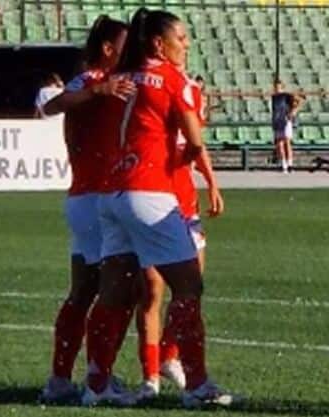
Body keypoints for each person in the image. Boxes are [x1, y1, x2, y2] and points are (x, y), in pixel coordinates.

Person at [83, 8, 234, 409]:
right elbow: (194, 138)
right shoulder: (169, 79)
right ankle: (197, 384)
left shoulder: (121, 78)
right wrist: (194, 158)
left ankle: (96, 383)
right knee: (188, 285)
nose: (185, 44)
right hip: (149, 191)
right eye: (180, 38)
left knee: (114, 292)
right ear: (157, 43)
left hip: (111, 192)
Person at [37, 15, 131, 404]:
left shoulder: (112, 82)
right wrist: (99, 90)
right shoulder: (93, 79)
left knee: (85, 291)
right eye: (127, 44)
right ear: (108, 49)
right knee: (117, 290)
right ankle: (97, 378)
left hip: (88, 198)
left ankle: (62, 379)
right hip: (94, 200)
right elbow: (56, 103)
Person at [135, 67, 223, 401]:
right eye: (180, 40)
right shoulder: (150, 89)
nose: (184, 48)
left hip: (186, 203)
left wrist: (212, 182)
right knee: (152, 291)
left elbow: (195, 144)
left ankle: (171, 356)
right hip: (155, 198)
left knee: (191, 286)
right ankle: (149, 378)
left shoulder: (189, 91)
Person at [271, 79, 303, 173]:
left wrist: (293, 112)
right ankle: (283, 164)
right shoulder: (274, 97)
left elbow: (299, 101)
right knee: (279, 144)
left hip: (285, 121)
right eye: (275, 87)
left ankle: (290, 164)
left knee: (287, 142)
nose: (277, 89)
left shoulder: (286, 95)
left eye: (278, 87)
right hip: (277, 121)